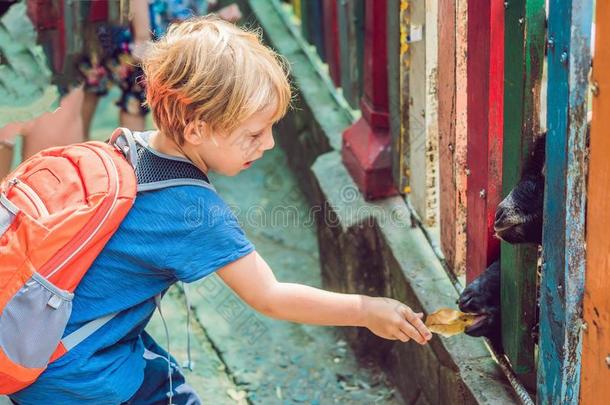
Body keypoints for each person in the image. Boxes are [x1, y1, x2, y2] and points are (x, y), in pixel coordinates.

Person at [9, 16, 432, 405]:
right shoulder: (194, 210)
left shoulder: (125, 147)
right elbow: (270, 297)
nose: (266, 145)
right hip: (82, 375)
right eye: (253, 134)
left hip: (38, 341)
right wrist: (365, 310)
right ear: (196, 129)